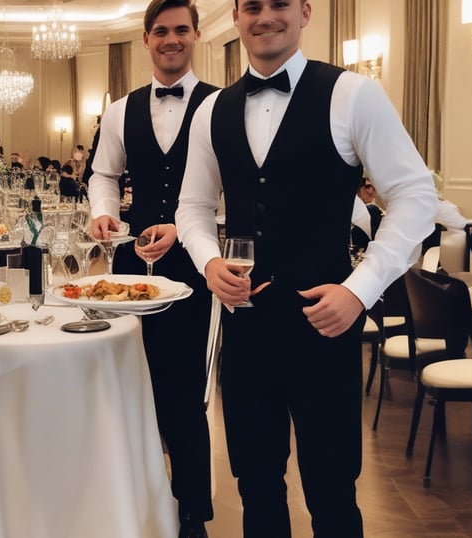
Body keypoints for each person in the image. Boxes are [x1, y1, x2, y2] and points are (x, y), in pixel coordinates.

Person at [175, 1, 437, 536]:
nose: (265, 16)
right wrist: (207, 260)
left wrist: (359, 290)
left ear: (305, 12)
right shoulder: (212, 111)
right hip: (245, 330)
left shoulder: (353, 94)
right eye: (253, 6)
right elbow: (192, 208)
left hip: (326, 329)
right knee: (256, 488)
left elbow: (416, 196)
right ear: (237, 16)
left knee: (333, 490)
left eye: (279, 4)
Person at [88, 1, 218, 536]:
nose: (171, 39)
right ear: (146, 40)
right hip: (131, 264)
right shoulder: (119, 110)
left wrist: (188, 228)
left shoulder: (222, 105)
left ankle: (192, 512)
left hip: (194, 264)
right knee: (124, 384)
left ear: (196, 36)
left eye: (181, 30)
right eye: (160, 31)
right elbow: (102, 174)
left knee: (182, 392)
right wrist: (103, 214)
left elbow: (231, 189)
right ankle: (129, 506)